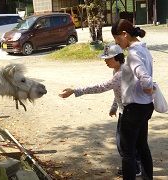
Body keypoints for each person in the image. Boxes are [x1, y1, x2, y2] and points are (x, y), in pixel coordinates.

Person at [59, 44, 142, 177]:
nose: (105, 61)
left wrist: (75, 90)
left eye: (107, 58)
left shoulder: (120, 74)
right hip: (128, 110)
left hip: (129, 112)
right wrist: (114, 107)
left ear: (116, 58)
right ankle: (136, 166)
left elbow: (101, 87)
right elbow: (121, 91)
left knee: (123, 144)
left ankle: (134, 168)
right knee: (133, 142)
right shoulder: (120, 70)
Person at [111, 19, 154, 180]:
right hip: (145, 106)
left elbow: (145, 79)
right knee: (142, 146)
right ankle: (147, 177)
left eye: (117, 39)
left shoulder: (133, 54)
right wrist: (148, 91)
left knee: (127, 152)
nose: (117, 43)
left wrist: (148, 87)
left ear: (124, 34)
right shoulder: (144, 49)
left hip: (134, 109)